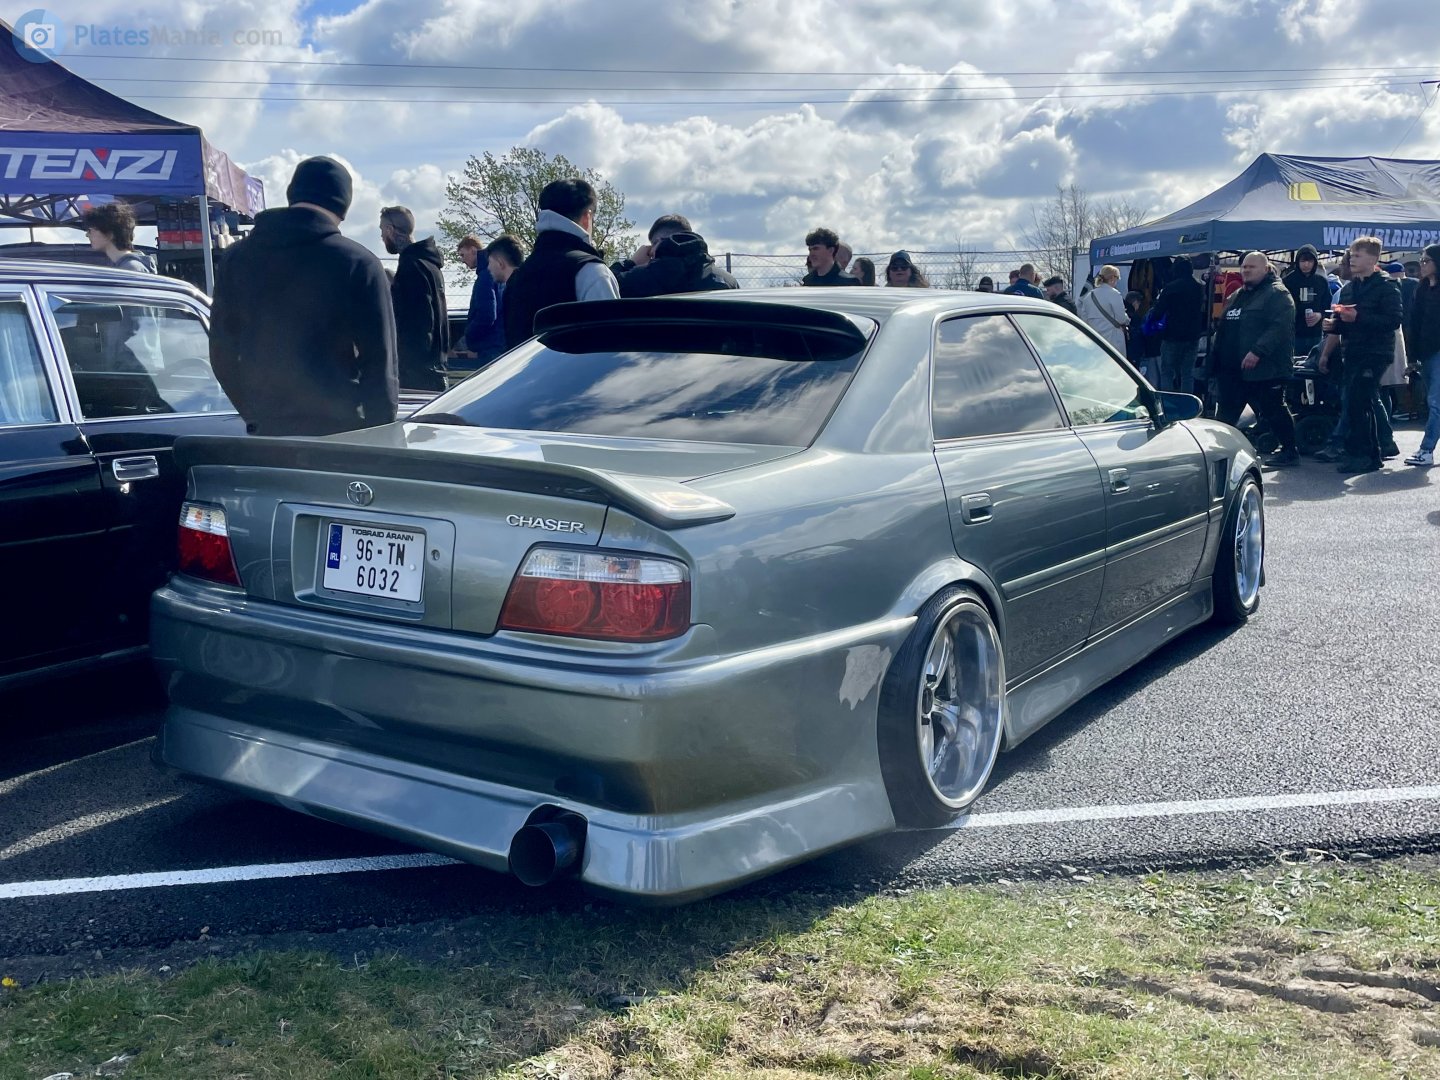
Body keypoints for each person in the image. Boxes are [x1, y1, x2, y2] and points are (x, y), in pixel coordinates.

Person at [209, 156, 397, 437]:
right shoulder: (359, 263)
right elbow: (380, 365)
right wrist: (378, 439)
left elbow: (221, 353)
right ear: (343, 205)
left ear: (292, 194)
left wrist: (253, 412)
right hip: (341, 435)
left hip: (267, 438)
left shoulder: (236, 258)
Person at [501, 178, 620, 347]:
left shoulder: (517, 277)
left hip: (527, 374)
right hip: (581, 374)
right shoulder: (591, 271)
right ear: (587, 217)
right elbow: (611, 345)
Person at [1320, 237, 1404, 474]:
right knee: (1359, 403)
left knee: (1358, 401)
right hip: (1353, 351)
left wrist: (1358, 318)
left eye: (1357, 255)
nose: (1351, 259)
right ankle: (1369, 453)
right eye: (1351, 255)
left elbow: (1393, 320)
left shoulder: (1386, 286)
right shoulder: (1350, 288)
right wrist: (1332, 326)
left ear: (1373, 258)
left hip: (1376, 352)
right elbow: (1343, 323)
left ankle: (1363, 454)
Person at [1211, 252, 1299, 467]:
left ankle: (1290, 451)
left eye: (1251, 267)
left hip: (1266, 369)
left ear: (1265, 269)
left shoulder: (1277, 294)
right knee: (1226, 414)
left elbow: (1279, 328)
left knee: (1274, 409)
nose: (1246, 270)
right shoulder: (1238, 295)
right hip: (1233, 369)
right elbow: (1224, 329)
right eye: (1244, 267)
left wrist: (1258, 352)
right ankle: (1219, 455)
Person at [380, 205, 448, 391]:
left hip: (417, 375)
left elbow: (418, 324)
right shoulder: (430, 265)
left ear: (390, 230)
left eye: (381, 230)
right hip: (435, 368)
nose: (381, 237)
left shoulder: (411, 267)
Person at [611, 213, 739, 296]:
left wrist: (630, 263)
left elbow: (607, 286)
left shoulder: (641, 278)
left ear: (658, 243)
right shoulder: (727, 282)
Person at [1403, 244, 1440, 467]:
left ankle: (1426, 449)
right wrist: (1412, 357)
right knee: (1433, 401)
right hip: (1425, 352)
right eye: (1422, 261)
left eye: (1427, 261)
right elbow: (1413, 324)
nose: (1422, 265)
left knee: (1436, 402)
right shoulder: (1421, 288)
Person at [1148, 256, 1206, 392]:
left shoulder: (1171, 287)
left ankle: (1168, 403)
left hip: (1172, 336)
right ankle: (1187, 404)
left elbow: (1158, 312)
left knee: (1167, 371)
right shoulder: (1200, 286)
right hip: (1193, 335)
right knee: (1187, 373)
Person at [456, 234, 504, 365]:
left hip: (489, 347)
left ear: (472, 250)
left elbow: (487, 314)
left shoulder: (485, 276)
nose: (462, 260)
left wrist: (469, 336)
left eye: (462, 255)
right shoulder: (496, 272)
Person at [1282, 245, 1329, 359]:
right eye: (1303, 260)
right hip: (1294, 334)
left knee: (1314, 365)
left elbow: (1327, 303)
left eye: (1309, 261)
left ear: (1315, 262)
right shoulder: (1288, 281)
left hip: (1316, 334)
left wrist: (1320, 315)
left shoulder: (1321, 281)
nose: (1306, 264)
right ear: (1297, 261)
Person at [81, 203, 155, 273]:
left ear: (109, 234)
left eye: (90, 230)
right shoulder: (124, 266)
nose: (87, 235)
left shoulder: (131, 269)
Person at [1081, 265, 1129, 353]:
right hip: (1113, 338)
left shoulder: (1089, 296)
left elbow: (1084, 318)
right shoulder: (1114, 294)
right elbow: (1121, 319)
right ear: (1112, 278)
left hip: (1095, 339)